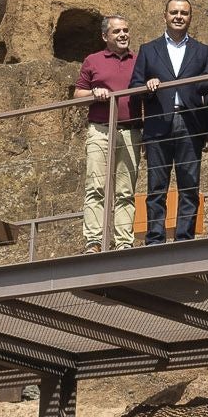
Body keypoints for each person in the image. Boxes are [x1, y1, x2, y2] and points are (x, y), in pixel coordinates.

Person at [132, 0, 208, 242]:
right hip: (158, 123)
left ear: (190, 17)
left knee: (189, 185)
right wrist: (147, 85)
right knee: (156, 186)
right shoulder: (148, 49)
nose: (179, 17)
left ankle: (184, 238)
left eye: (184, 13)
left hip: (191, 123)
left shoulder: (203, 50)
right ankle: (155, 238)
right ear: (165, 16)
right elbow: (135, 84)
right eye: (174, 12)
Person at [72, 13, 140, 252]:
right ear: (105, 36)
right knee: (96, 187)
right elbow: (77, 94)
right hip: (100, 130)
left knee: (125, 190)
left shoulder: (138, 60)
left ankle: (124, 242)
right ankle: (94, 241)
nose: (123, 35)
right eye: (117, 31)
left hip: (131, 130)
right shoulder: (93, 60)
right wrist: (94, 93)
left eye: (125, 30)